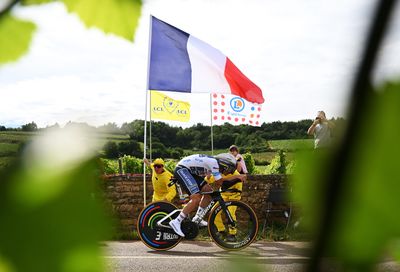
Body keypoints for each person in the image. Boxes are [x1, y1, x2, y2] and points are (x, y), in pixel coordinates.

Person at [169, 153, 246, 237]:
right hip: (183, 169)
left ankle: (197, 218)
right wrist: (237, 177)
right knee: (196, 198)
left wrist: (236, 178)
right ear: (224, 165)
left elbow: (217, 181)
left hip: (190, 172)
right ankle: (177, 221)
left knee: (208, 192)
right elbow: (220, 182)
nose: (228, 173)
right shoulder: (214, 164)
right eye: (228, 170)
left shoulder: (214, 163)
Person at [206, 169, 244, 242]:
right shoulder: (220, 173)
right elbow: (209, 180)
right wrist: (208, 177)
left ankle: (233, 234)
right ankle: (221, 231)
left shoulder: (235, 173)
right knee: (213, 212)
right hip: (223, 197)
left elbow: (238, 188)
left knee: (231, 213)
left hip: (233, 197)